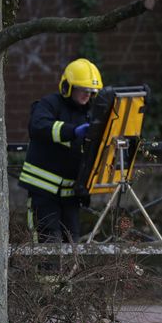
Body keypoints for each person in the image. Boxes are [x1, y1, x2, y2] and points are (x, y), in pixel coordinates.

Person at [19, 58, 103, 243]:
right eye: (82, 89)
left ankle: (65, 274)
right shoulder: (49, 104)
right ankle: (46, 274)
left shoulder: (89, 113)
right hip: (43, 191)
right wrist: (71, 131)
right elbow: (38, 127)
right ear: (67, 87)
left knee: (71, 245)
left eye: (91, 91)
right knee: (48, 243)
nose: (86, 95)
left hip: (70, 195)